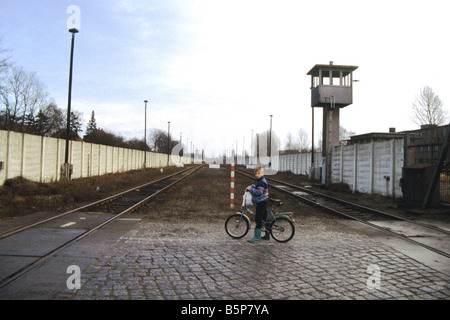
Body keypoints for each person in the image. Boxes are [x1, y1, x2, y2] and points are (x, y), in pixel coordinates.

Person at [245, 166, 269, 243]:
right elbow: (258, 188)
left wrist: (251, 189)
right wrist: (252, 186)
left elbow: (259, 192)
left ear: (262, 173)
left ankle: (257, 237)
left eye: (258, 173)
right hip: (263, 201)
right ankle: (267, 235)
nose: (257, 175)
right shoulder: (261, 180)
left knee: (258, 219)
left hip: (261, 202)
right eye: (256, 173)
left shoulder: (261, 181)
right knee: (264, 219)